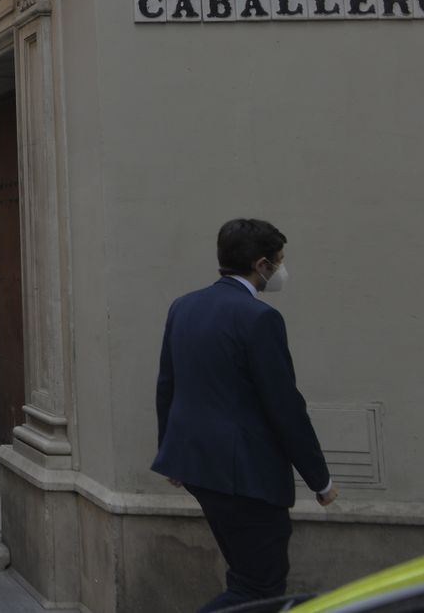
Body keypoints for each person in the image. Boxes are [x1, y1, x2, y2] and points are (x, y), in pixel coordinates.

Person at [153, 218, 336, 613]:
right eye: (280, 261)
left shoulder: (184, 306)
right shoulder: (259, 318)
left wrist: (171, 451)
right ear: (261, 264)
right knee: (259, 589)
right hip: (247, 476)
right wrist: (320, 480)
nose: (282, 270)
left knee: (245, 577)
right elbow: (285, 406)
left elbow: (167, 385)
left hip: (199, 466)